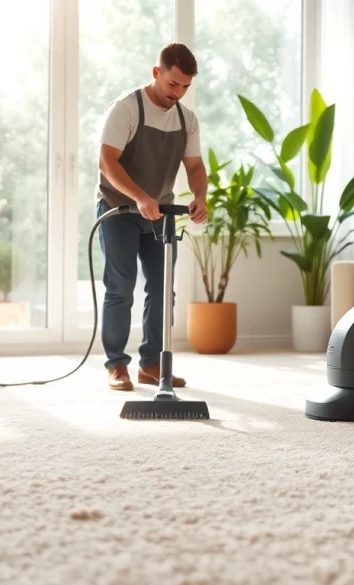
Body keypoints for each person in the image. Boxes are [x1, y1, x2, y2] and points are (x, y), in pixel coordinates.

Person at [94, 43, 208, 391]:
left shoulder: (186, 119)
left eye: (186, 87)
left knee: (162, 292)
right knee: (121, 289)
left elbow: (194, 166)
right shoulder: (127, 108)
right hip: (119, 210)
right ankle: (116, 364)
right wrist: (140, 197)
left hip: (160, 214)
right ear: (156, 73)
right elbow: (107, 161)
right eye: (174, 84)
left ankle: (152, 364)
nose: (179, 93)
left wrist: (200, 196)